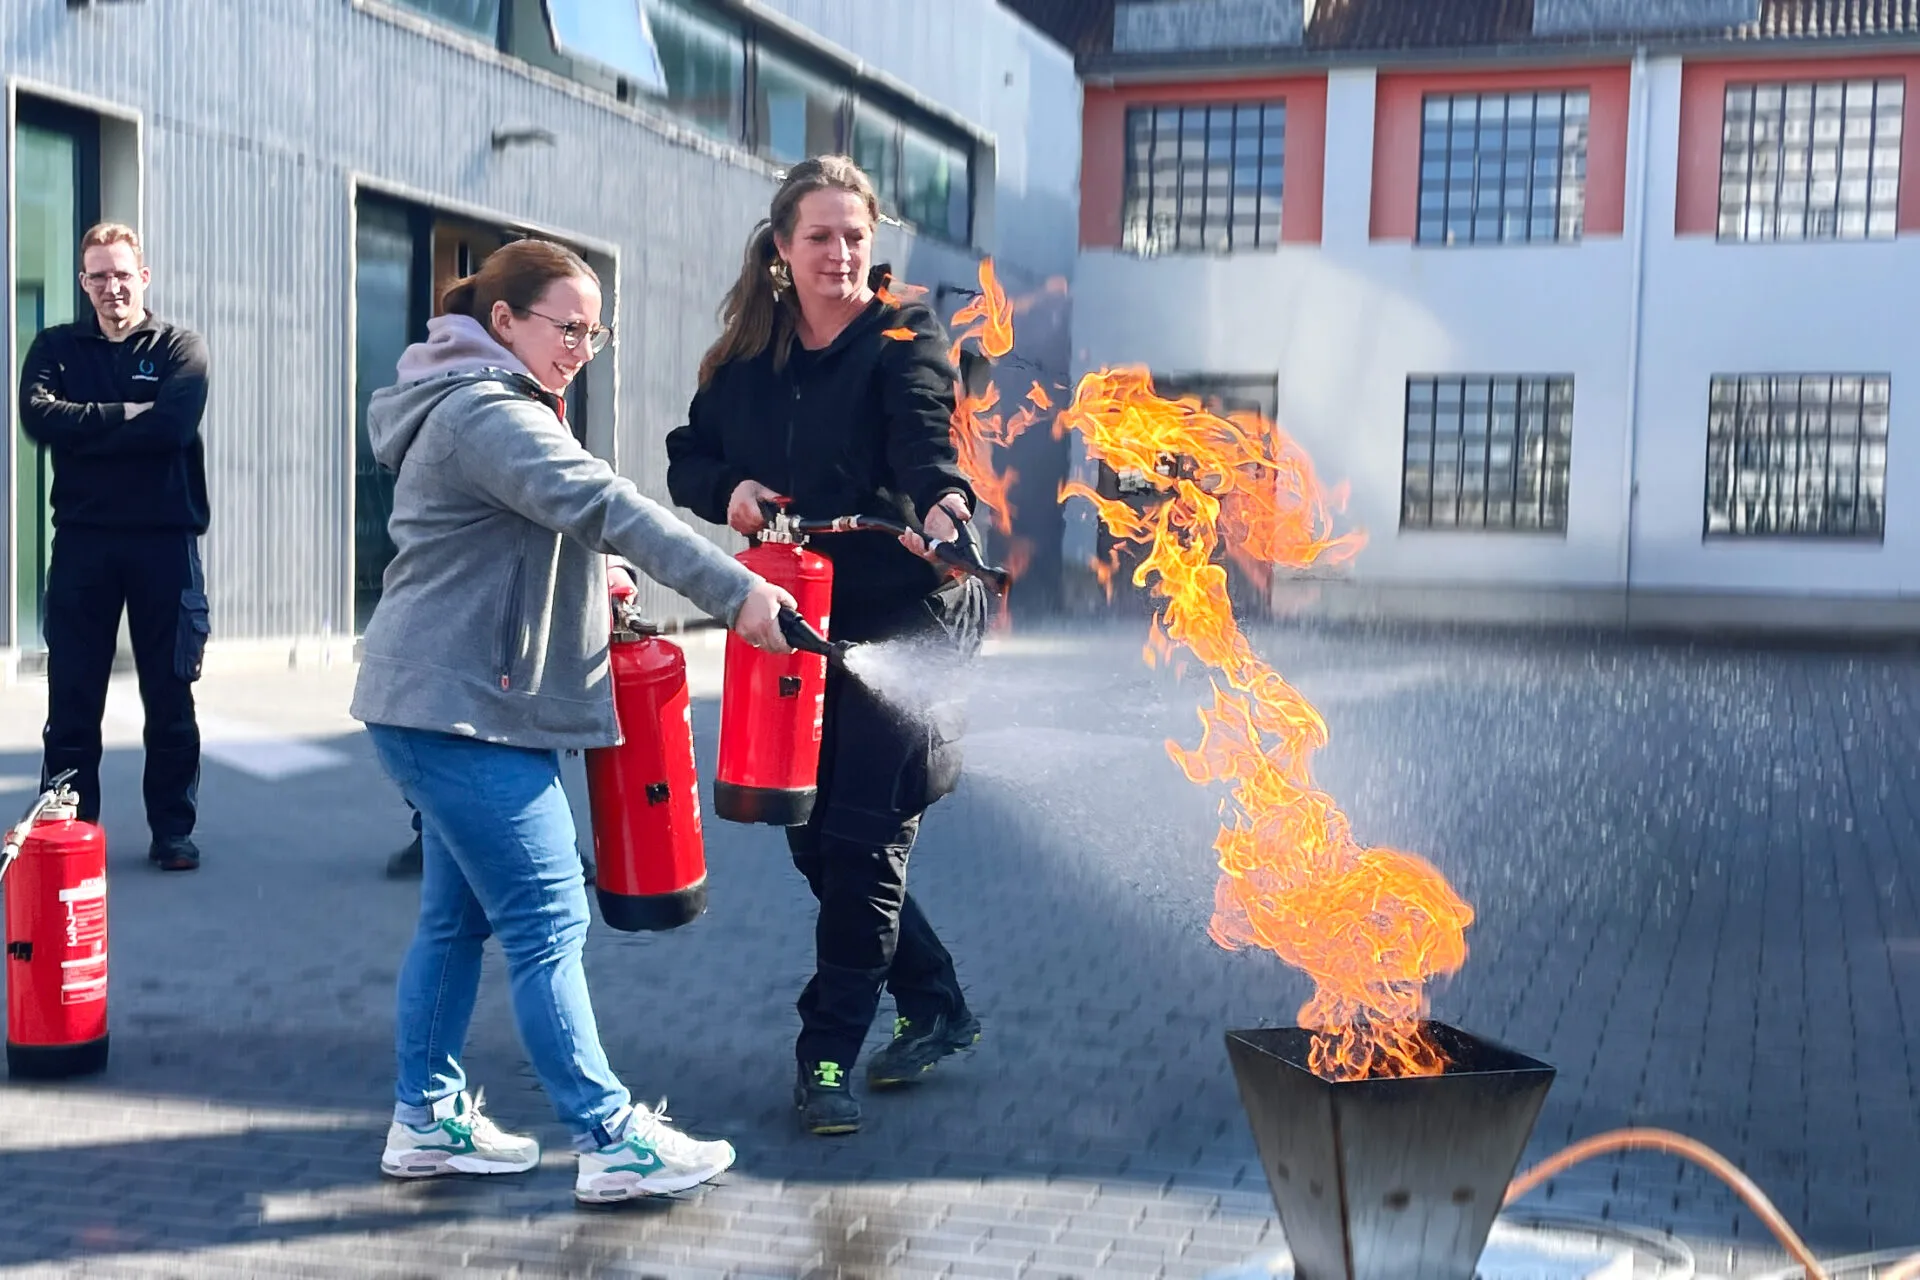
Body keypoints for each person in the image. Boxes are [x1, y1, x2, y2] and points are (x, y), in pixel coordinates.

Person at [351, 237, 794, 1203]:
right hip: (459, 713)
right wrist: (737, 594)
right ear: (504, 322)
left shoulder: (487, 403)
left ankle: (424, 1120)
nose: (582, 347)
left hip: (450, 703)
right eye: (568, 327)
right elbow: (603, 500)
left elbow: (515, 540)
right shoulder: (486, 412)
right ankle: (608, 1138)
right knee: (548, 918)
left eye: (596, 332)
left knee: (455, 918)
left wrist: (594, 579)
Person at [666, 156, 987, 1136]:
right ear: (782, 249)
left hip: (909, 614)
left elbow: (924, 444)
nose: (843, 252)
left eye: (856, 235)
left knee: (861, 839)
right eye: (822, 236)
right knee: (817, 839)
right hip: (795, 621)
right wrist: (732, 493)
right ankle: (935, 1002)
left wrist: (945, 510)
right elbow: (690, 454)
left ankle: (828, 1056)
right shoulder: (744, 364)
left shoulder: (903, 336)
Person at [19, 222, 211, 873]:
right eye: (98, 276)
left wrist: (87, 424)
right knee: (72, 696)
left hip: (164, 541)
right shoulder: (56, 347)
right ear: (83, 283)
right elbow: (38, 418)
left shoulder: (182, 348)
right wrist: (125, 411)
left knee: (170, 695)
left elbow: (172, 426)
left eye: (122, 274)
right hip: (83, 543)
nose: (111, 287)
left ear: (144, 277)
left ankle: (173, 832)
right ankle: (70, 827)